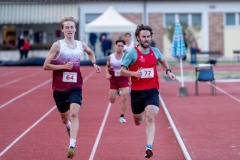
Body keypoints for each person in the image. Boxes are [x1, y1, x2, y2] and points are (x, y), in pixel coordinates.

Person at [43, 16, 101, 159]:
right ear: (62, 29)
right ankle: (68, 125)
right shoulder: (57, 45)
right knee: (65, 118)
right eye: (66, 27)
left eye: (71, 27)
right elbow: (45, 65)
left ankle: (72, 145)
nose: (69, 29)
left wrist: (94, 63)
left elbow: (90, 52)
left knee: (74, 113)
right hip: (59, 88)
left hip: (75, 85)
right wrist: (63, 66)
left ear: (75, 29)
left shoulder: (81, 44)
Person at [120, 24, 175, 158]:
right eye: (143, 37)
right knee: (138, 120)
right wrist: (134, 74)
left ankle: (149, 147)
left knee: (151, 118)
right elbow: (122, 70)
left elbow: (162, 61)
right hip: (137, 92)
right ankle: (140, 116)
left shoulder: (155, 51)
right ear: (138, 38)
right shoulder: (132, 53)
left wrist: (168, 71)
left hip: (152, 90)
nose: (146, 39)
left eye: (148, 37)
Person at [105, 39, 129, 123]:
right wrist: (107, 74)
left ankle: (122, 116)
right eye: (119, 46)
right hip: (114, 80)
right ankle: (117, 92)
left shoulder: (126, 56)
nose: (120, 47)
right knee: (112, 100)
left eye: (122, 46)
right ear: (116, 46)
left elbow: (131, 67)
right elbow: (107, 67)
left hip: (124, 79)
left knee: (125, 97)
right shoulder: (110, 57)